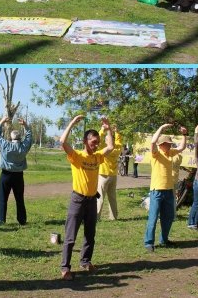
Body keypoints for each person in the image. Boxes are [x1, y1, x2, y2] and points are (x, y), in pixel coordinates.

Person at [60, 115, 114, 281]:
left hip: (92, 201)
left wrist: (108, 128)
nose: (96, 145)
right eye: (93, 142)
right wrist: (72, 123)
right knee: (70, 237)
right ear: (85, 141)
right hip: (78, 200)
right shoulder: (77, 156)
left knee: (90, 235)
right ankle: (65, 268)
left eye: (97, 142)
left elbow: (110, 146)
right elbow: (62, 142)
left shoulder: (97, 156)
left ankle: (85, 261)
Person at [144, 123, 188, 252]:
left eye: (170, 144)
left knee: (168, 217)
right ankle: (149, 243)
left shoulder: (171, 153)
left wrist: (184, 134)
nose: (169, 145)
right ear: (161, 145)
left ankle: (164, 239)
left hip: (169, 190)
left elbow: (182, 147)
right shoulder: (156, 154)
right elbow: (152, 142)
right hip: (157, 190)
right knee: (153, 217)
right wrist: (161, 128)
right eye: (167, 144)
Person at [0, 116, 32, 225]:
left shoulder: (6, 145)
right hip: (19, 176)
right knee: (19, 199)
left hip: (6, 175)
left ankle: (1, 221)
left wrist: (1, 122)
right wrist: (25, 125)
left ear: (11, 137)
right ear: (20, 138)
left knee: (2, 198)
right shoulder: (24, 147)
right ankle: (22, 220)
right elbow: (29, 136)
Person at [96, 123, 122, 220]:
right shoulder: (117, 149)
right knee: (112, 198)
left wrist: (103, 130)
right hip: (113, 176)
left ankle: (96, 217)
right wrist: (117, 132)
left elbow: (98, 140)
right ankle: (114, 217)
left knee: (100, 197)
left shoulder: (104, 149)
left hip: (103, 175)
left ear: (107, 141)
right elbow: (119, 141)